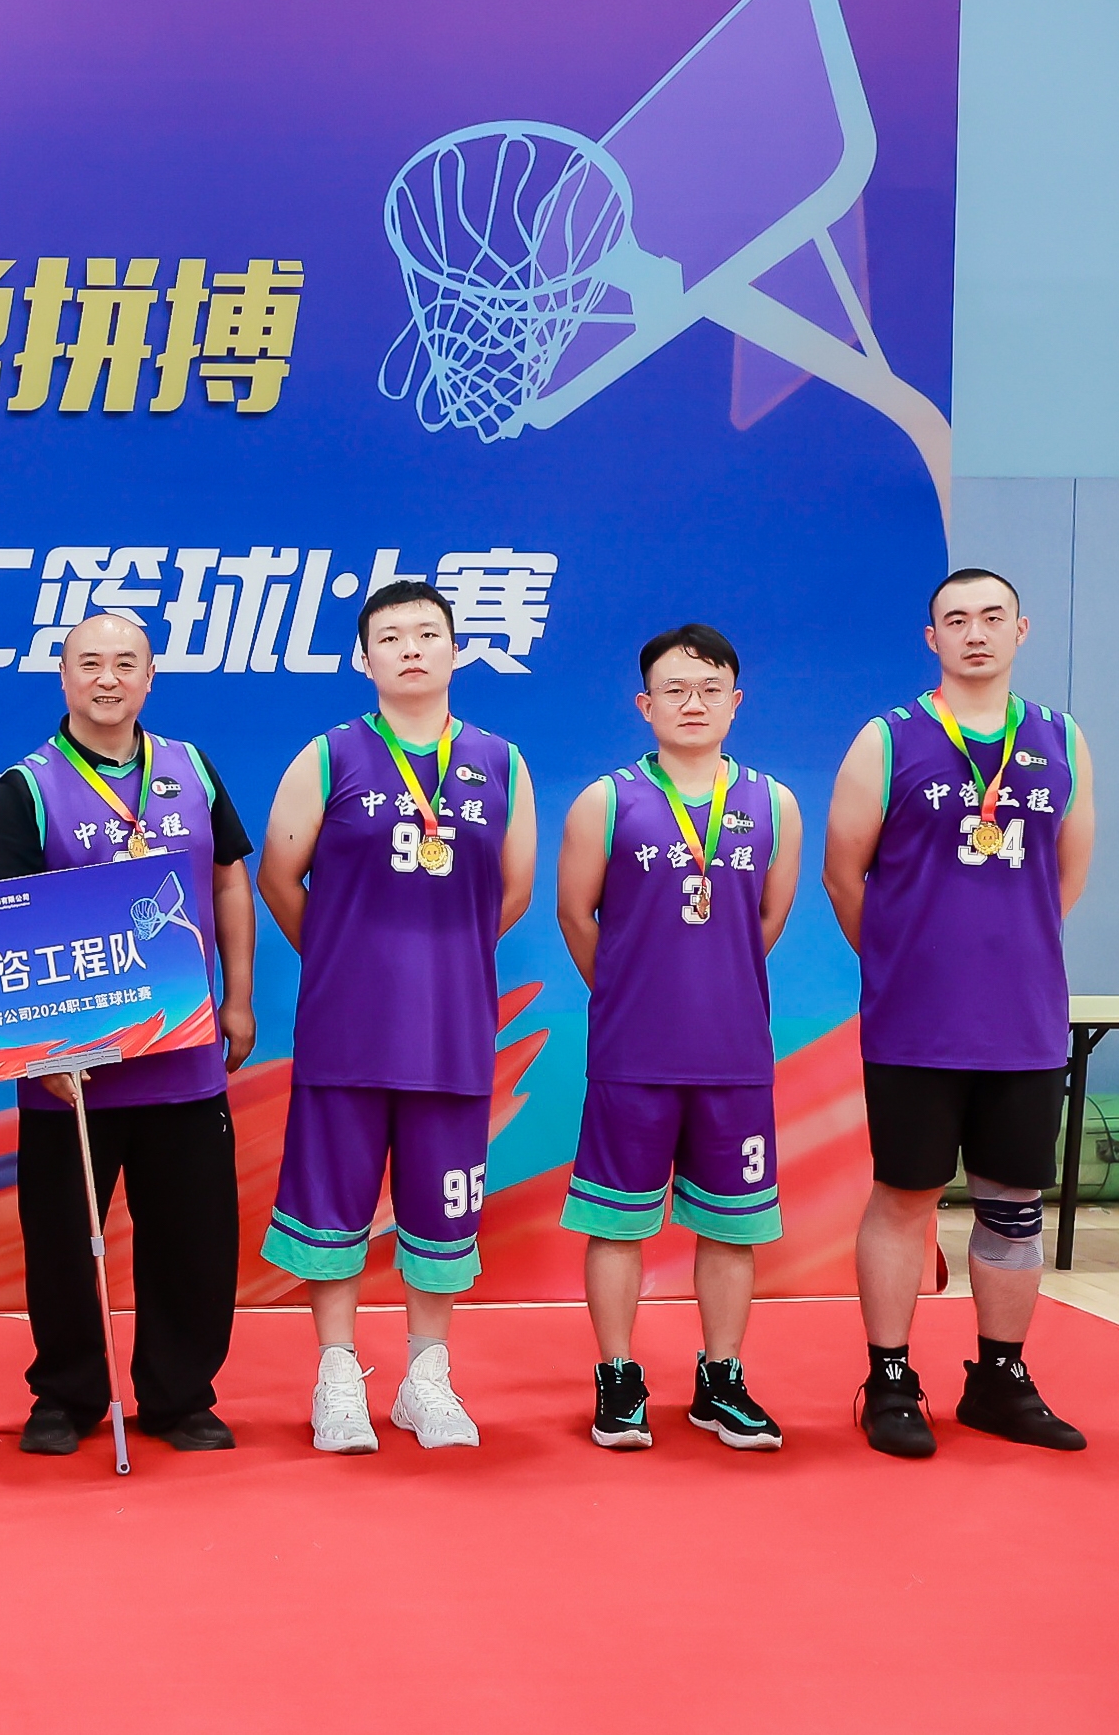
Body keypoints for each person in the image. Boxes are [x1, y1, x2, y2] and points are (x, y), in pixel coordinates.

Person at [0, 612, 258, 1457]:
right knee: (65, 1247)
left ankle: (179, 1396)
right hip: (74, 1073)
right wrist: (38, 1054)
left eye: (125, 663)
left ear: (149, 677)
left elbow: (229, 882)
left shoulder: (191, 769)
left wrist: (239, 998)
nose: (107, 678)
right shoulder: (28, 786)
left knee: (193, 1242)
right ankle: (66, 1396)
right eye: (89, 663)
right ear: (63, 678)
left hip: (184, 1056)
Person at [257, 579, 536, 1453]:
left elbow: (513, 892)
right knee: (333, 1207)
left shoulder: (502, 761)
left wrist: (439, 960)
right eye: (390, 637)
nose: (410, 649)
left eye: (426, 633)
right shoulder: (330, 756)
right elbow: (278, 878)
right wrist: (345, 956)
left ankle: (427, 1378)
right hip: (346, 1031)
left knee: (443, 1210)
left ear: (456, 649)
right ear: (363, 658)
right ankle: (337, 1376)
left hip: (452, 1032)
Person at [824, 568, 1096, 1457]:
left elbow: (1065, 876)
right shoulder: (889, 739)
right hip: (916, 1022)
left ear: (1021, 630)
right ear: (931, 638)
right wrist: (907, 961)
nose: (974, 633)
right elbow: (843, 874)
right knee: (906, 1195)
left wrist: (1006, 956)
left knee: (1013, 1202)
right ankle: (890, 1379)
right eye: (955, 619)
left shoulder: (1062, 739)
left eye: (991, 617)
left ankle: (999, 1379)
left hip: (1023, 1022)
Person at [555, 624, 802, 1452]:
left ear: (736, 701)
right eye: (674, 690)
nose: (692, 703)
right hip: (633, 1056)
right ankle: (618, 1376)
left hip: (735, 1056)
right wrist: (631, 993)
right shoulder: (607, 801)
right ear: (645, 705)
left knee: (733, 1226)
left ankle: (720, 1379)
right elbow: (576, 915)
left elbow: (764, 922)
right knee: (618, 1224)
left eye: (709, 689)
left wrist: (713, 989)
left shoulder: (774, 804)